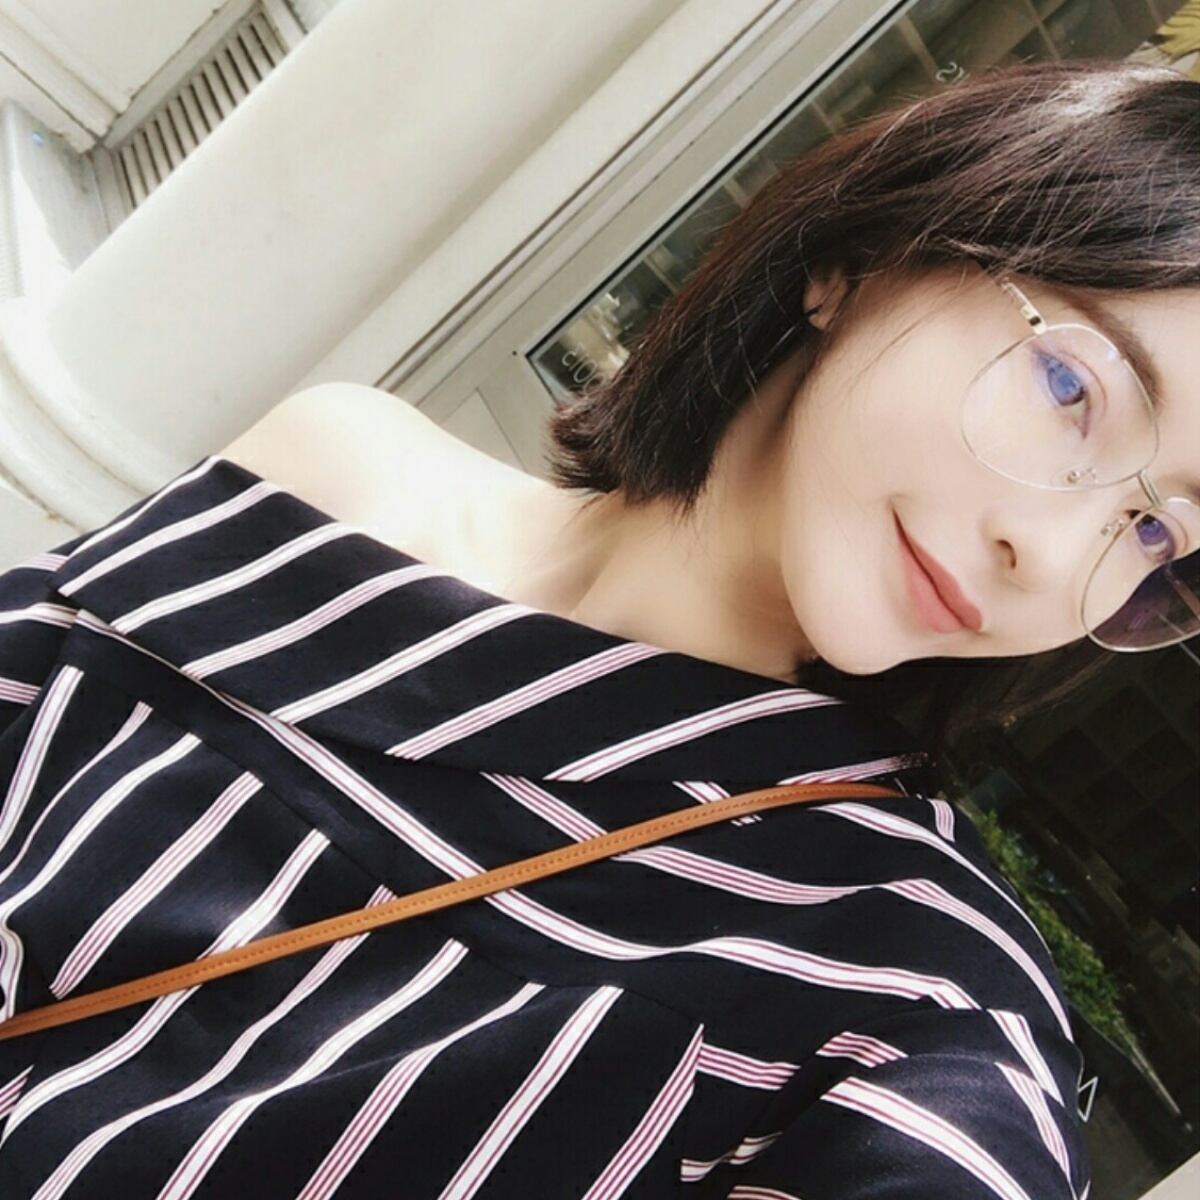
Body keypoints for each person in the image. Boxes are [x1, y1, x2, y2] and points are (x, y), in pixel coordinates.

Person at [0, 56, 1195, 1198]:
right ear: (863, 257)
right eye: (1072, 390)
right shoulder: (333, 467)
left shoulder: (910, 976)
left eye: (1152, 532)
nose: (1053, 557)